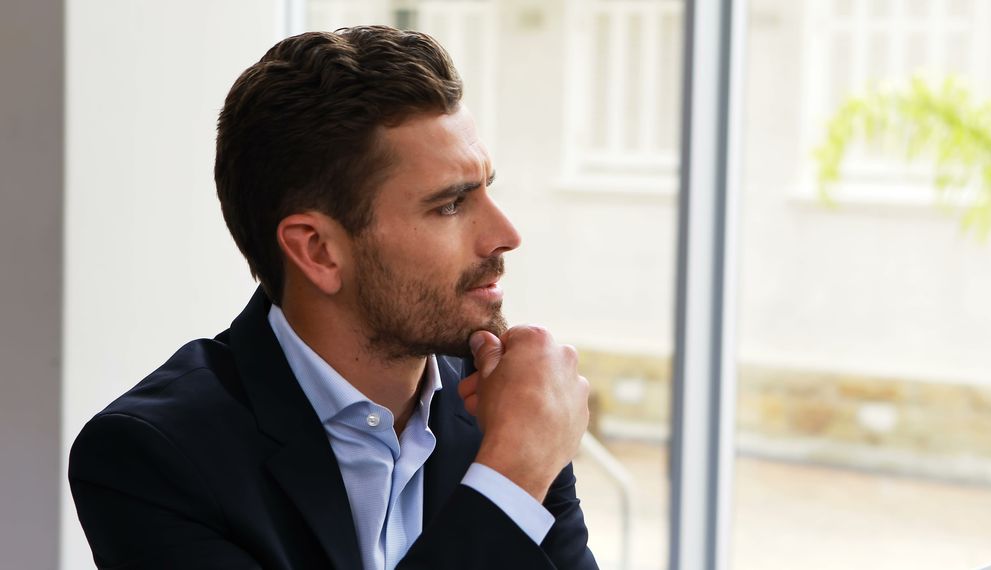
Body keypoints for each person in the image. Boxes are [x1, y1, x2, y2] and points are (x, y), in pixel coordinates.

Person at [68, 25, 598, 569]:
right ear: (318, 250)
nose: (505, 234)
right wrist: (512, 476)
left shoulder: (506, 402)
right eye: (449, 205)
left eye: (488, 188)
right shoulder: (151, 458)